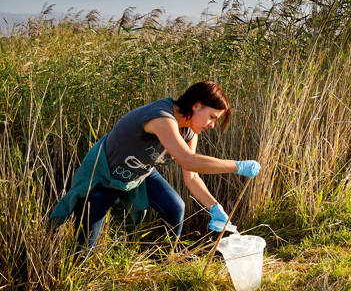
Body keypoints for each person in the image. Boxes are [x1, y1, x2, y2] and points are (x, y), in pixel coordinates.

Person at [50, 81, 260, 250]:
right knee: (84, 248)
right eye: (212, 117)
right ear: (196, 105)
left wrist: (215, 208)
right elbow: (187, 159)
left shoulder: (189, 131)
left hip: (139, 174)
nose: (212, 125)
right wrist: (237, 166)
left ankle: (163, 260)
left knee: (175, 207)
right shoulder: (161, 117)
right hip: (104, 173)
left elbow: (192, 175)